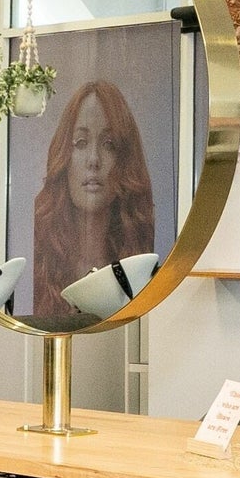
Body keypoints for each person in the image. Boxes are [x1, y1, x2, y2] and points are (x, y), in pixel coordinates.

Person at [30, 77, 161, 323]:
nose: (93, 160)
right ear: (64, 156)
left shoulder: (139, 266)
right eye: (80, 143)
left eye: (109, 144)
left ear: (124, 158)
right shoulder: (39, 263)